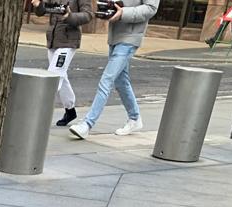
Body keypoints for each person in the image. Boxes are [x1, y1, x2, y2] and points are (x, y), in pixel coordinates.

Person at [69, 0, 160, 140]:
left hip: (130, 37)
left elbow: (151, 8)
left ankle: (87, 124)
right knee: (121, 81)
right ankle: (135, 118)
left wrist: (123, 12)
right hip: (115, 34)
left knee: (107, 79)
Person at [30, 0, 93, 128]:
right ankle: (70, 110)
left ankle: (39, 114)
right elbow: (42, 11)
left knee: (53, 76)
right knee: (61, 76)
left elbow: (88, 15)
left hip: (69, 41)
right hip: (53, 40)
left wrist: (69, 16)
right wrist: (38, 5)